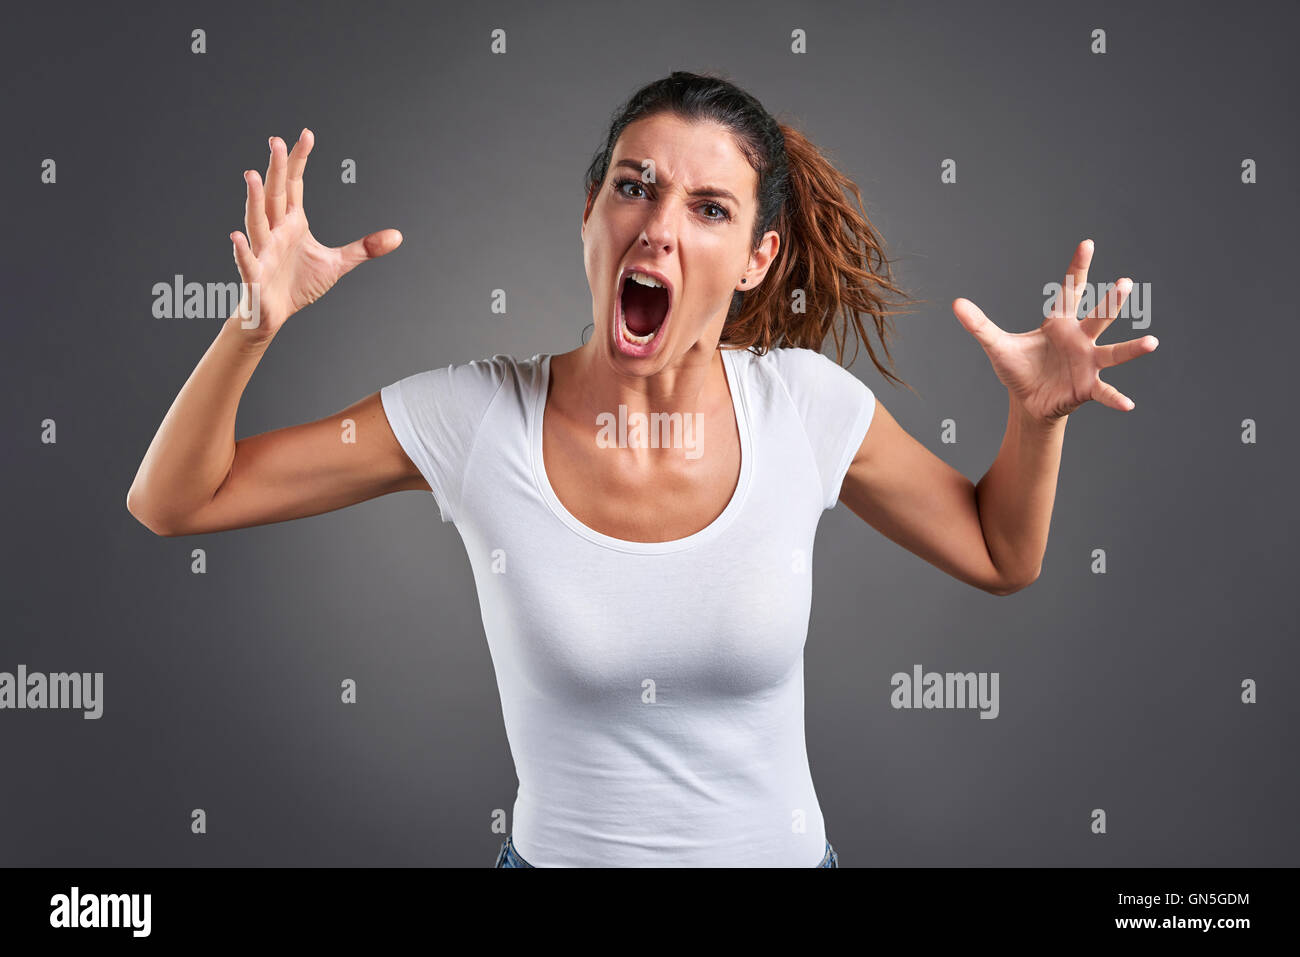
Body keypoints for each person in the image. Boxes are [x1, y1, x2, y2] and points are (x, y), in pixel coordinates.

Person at [126, 71, 1158, 868]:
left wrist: (1035, 421)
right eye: (634, 186)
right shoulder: (472, 416)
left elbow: (999, 551)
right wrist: (251, 329)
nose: (657, 225)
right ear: (591, 212)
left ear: (756, 258)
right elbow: (175, 501)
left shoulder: (802, 407)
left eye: (710, 208)